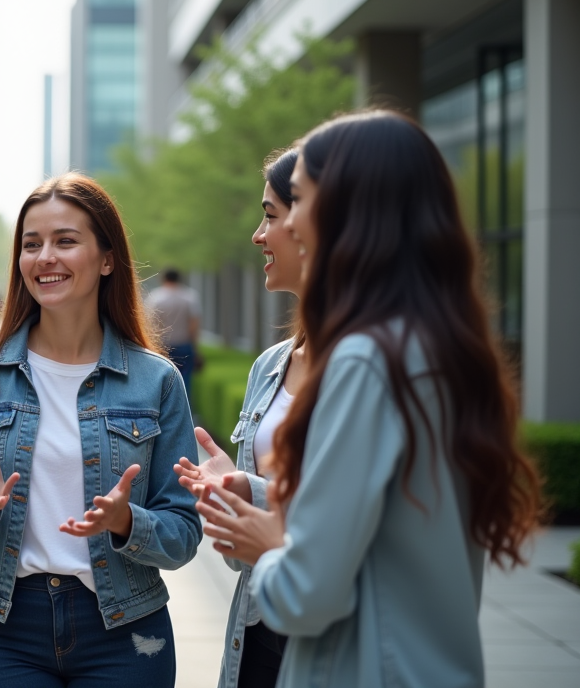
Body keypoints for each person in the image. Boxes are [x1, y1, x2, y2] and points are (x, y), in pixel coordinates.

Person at [194, 110, 541, 688]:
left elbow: (304, 595)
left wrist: (270, 546)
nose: (286, 225)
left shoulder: (364, 361)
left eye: (298, 200)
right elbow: (388, 539)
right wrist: (257, 496)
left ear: (352, 212)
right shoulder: (440, 352)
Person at [0, 174, 203, 687]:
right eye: (32, 244)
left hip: (125, 630)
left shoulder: (157, 381)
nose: (44, 256)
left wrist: (125, 523)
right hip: (2, 629)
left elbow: (183, 534)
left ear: (108, 258)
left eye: (65, 241)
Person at [173, 149, 305, 688]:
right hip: (257, 629)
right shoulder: (270, 366)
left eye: (270, 215)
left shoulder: (379, 372)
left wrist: (247, 489)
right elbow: (242, 560)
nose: (258, 234)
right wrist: (230, 494)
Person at [145, 268, 202, 392]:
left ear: (164, 279)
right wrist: (196, 348)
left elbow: (150, 324)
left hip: (162, 346)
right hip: (184, 345)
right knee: (185, 381)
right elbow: (194, 324)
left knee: (162, 382)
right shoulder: (189, 297)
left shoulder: (155, 297)